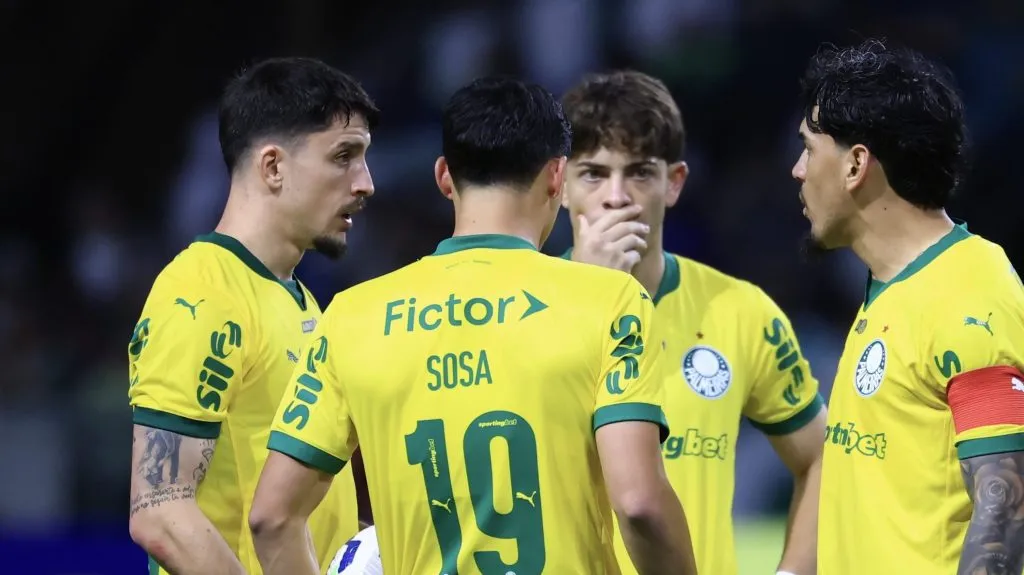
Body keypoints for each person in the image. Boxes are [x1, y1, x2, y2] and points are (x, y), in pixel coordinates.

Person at [247, 76, 697, 575]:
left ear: (444, 177)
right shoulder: (609, 299)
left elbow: (271, 518)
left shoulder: (351, 315)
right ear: (556, 177)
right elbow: (639, 503)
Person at [559, 70, 826, 575]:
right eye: (593, 173)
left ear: (674, 183)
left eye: (639, 172)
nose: (616, 197)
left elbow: (821, 457)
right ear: (561, 184)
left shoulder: (741, 311)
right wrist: (588, 299)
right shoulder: (528, 308)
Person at [127, 57, 377, 575]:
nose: (365, 183)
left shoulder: (301, 301)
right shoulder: (201, 293)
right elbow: (159, 510)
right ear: (273, 167)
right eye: (344, 156)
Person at [792, 38, 1024, 574]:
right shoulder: (894, 286)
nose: (798, 171)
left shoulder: (969, 293)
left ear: (855, 165)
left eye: (808, 148)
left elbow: (1006, 515)